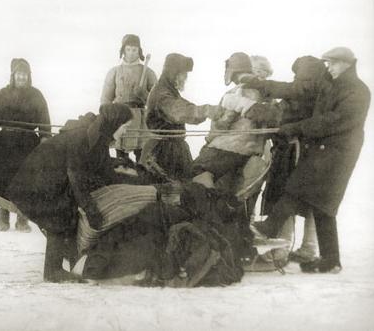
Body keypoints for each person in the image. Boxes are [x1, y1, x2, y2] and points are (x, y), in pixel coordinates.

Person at [248, 47, 370, 273]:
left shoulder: (358, 92)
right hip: (322, 149)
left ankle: (269, 227)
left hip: (339, 153)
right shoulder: (327, 82)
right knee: (324, 207)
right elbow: (294, 89)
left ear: (346, 64)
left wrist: (295, 128)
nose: (328, 67)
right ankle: (331, 261)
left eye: (332, 63)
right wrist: (260, 84)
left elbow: (331, 121)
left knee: (296, 188)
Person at [6, 103, 134, 282]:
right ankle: (53, 271)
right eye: (125, 127)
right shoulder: (83, 137)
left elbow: (106, 174)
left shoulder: (98, 137)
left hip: (52, 180)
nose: (126, 132)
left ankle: (74, 262)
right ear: (115, 123)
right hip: (36, 183)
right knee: (60, 212)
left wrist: (133, 182)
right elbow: (77, 177)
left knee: (68, 209)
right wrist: (90, 210)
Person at [190, 52, 279, 191]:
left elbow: (222, 123)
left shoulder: (237, 91)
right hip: (252, 153)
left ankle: (206, 203)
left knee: (194, 172)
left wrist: (209, 139)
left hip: (225, 148)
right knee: (230, 187)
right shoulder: (271, 98)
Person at [140, 53, 223, 180]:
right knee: (169, 190)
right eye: (183, 74)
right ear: (173, 73)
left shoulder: (168, 89)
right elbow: (179, 111)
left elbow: (186, 105)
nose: (185, 78)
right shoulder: (162, 94)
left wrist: (207, 111)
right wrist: (206, 110)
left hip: (172, 148)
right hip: (163, 152)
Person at [0, 58, 51, 232]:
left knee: (25, 180)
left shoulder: (36, 95)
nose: (22, 77)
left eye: (25, 74)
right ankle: (3, 217)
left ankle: (22, 219)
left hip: (27, 143)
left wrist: (44, 139)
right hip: (5, 143)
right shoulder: (2, 94)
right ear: (13, 75)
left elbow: (44, 120)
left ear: (29, 76)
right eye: (19, 74)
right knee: (3, 178)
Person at [101, 34, 157, 162]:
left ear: (139, 51)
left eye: (134, 50)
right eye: (128, 49)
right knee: (120, 153)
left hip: (139, 117)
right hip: (120, 117)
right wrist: (107, 117)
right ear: (123, 51)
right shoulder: (114, 72)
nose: (131, 53)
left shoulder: (148, 72)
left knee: (141, 153)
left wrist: (143, 94)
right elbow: (105, 99)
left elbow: (156, 101)